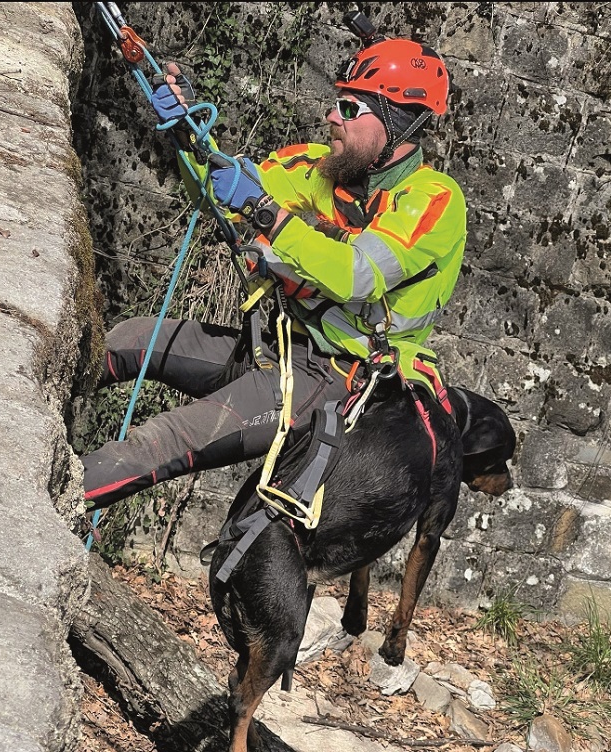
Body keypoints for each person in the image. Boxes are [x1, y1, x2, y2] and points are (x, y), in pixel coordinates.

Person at [80, 33, 467, 510]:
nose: (331, 115)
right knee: (126, 339)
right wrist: (188, 137)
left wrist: (266, 212)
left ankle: (37, 502)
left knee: (162, 439)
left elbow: (356, 274)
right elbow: (219, 191)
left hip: (336, 376)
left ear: (398, 123)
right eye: (336, 103)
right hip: (277, 343)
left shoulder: (434, 200)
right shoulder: (323, 168)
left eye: (350, 108)